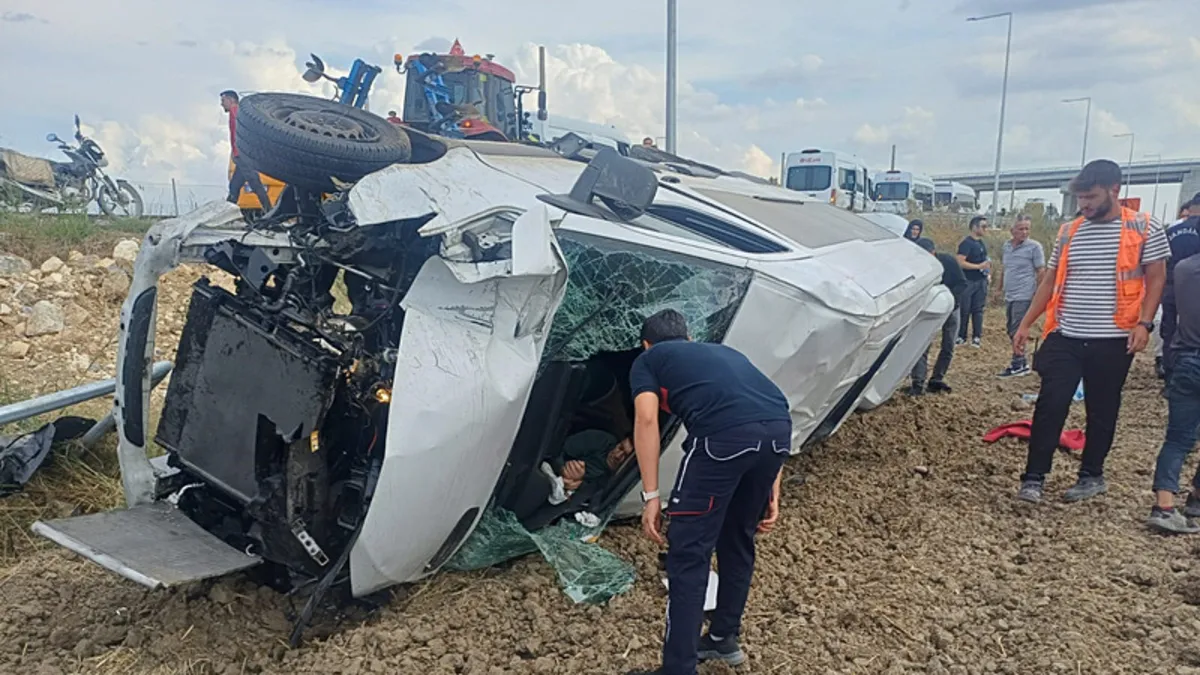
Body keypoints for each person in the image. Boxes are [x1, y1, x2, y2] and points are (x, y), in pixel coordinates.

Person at [625, 309, 790, 675]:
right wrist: (771, 487)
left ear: (645, 343)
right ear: (689, 337)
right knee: (737, 538)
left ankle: (678, 669)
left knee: (688, 554)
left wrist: (651, 496)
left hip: (723, 439)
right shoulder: (725, 353)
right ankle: (722, 638)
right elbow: (770, 406)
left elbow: (647, 417)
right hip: (778, 434)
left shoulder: (649, 359)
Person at [1012, 159, 1168, 503]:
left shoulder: (1144, 227)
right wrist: (1026, 322)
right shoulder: (1069, 231)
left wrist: (1145, 323)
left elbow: (1156, 276)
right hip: (1066, 334)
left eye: (1091, 198)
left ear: (1115, 190)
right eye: (1081, 198)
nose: (1084, 205)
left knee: (1102, 407)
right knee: (1051, 404)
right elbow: (1051, 280)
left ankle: (1091, 474)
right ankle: (1034, 477)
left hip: (1113, 339)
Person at [1148, 253, 1200, 533]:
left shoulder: (1184, 268)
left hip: (1186, 358)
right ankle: (1197, 498)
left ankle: (1164, 507)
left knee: (1177, 439)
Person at [910, 237, 966, 395]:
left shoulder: (948, 261)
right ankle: (918, 383)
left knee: (948, 345)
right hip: (929, 310)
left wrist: (950, 300)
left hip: (951, 307)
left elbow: (962, 283)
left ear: (934, 252)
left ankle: (936, 379)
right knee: (922, 344)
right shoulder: (917, 267)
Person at [996, 214, 1045, 377]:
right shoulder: (1007, 247)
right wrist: (999, 288)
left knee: (1018, 329)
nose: (1024, 232)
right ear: (1012, 230)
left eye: (1027, 229)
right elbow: (1005, 268)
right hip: (1010, 294)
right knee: (1011, 329)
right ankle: (1021, 361)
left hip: (1024, 295)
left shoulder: (1034, 247)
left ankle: (1018, 364)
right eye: (1021, 228)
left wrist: (1038, 293)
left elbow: (1040, 271)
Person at [1161, 199, 1200, 383]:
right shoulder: (1198, 229)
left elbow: (1162, 258)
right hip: (1193, 286)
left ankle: (1169, 374)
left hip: (1170, 284)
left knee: (1169, 329)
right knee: (1191, 332)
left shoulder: (1171, 230)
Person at [221, 90, 272, 212]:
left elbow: (241, 133)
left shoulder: (236, 112)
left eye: (223, 101)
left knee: (255, 184)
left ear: (231, 100)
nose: (222, 104)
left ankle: (270, 212)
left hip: (243, 156)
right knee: (235, 186)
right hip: (241, 156)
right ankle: (225, 213)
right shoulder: (236, 112)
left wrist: (239, 151)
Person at [956, 215, 991, 348]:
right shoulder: (966, 243)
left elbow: (985, 261)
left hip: (981, 281)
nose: (985, 229)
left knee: (978, 310)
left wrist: (987, 273)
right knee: (964, 309)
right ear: (974, 227)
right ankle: (961, 336)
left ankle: (976, 337)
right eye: (983, 226)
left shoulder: (981, 243)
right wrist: (978, 267)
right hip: (968, 281)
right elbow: (960, 262)